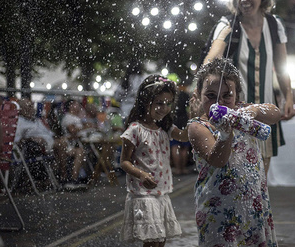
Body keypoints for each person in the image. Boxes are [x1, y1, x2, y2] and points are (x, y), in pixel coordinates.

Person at [203, 0, 294, 174]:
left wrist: (288, 96)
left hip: (264, 114)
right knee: (233, 181)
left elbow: (281, 67)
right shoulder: (227, 24)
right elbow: (210, 61)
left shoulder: (274, 25)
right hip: (234, 115)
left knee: (260, 183)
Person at [188, 58, 281, 246]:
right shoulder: (198, 126)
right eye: (211, 96)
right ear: (198, 95)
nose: (219, 102)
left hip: (253, 205)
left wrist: (254, 110)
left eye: (226, 96)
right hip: (219, 211)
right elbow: (218, 160)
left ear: (237, 96)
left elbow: (275, 113)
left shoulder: (242, 111)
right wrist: (225, 132)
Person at [119, 75, 188, 247]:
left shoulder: (165, 128)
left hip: (161, 194)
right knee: (151, 242)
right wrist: (141, 174)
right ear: (145, 101)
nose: (164, 108)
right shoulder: (135, 130)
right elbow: (124, 162)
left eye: (168, 103)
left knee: (160, 241)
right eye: (159, 103)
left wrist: (194, 115)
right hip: (144, 195)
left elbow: (186, 135)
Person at [54, 99, 88, 189]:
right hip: (68, 145)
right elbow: (72, 131)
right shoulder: (68, 117)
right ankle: (73, 179)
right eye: (76, 105)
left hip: (74, 143)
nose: (79, 107)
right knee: (80, 152)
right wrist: (85, 127)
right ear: (70, 106)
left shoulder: (76, 117)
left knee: (82, 151)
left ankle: (77, 178)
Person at [170, 83, 191, 175]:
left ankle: (178, 169)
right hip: (184, 121)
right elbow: (189, 110)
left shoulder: (171, 95)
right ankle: (183, 168)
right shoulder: (185, 95)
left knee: (175, 146)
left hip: (174, 121)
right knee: (185, 147)